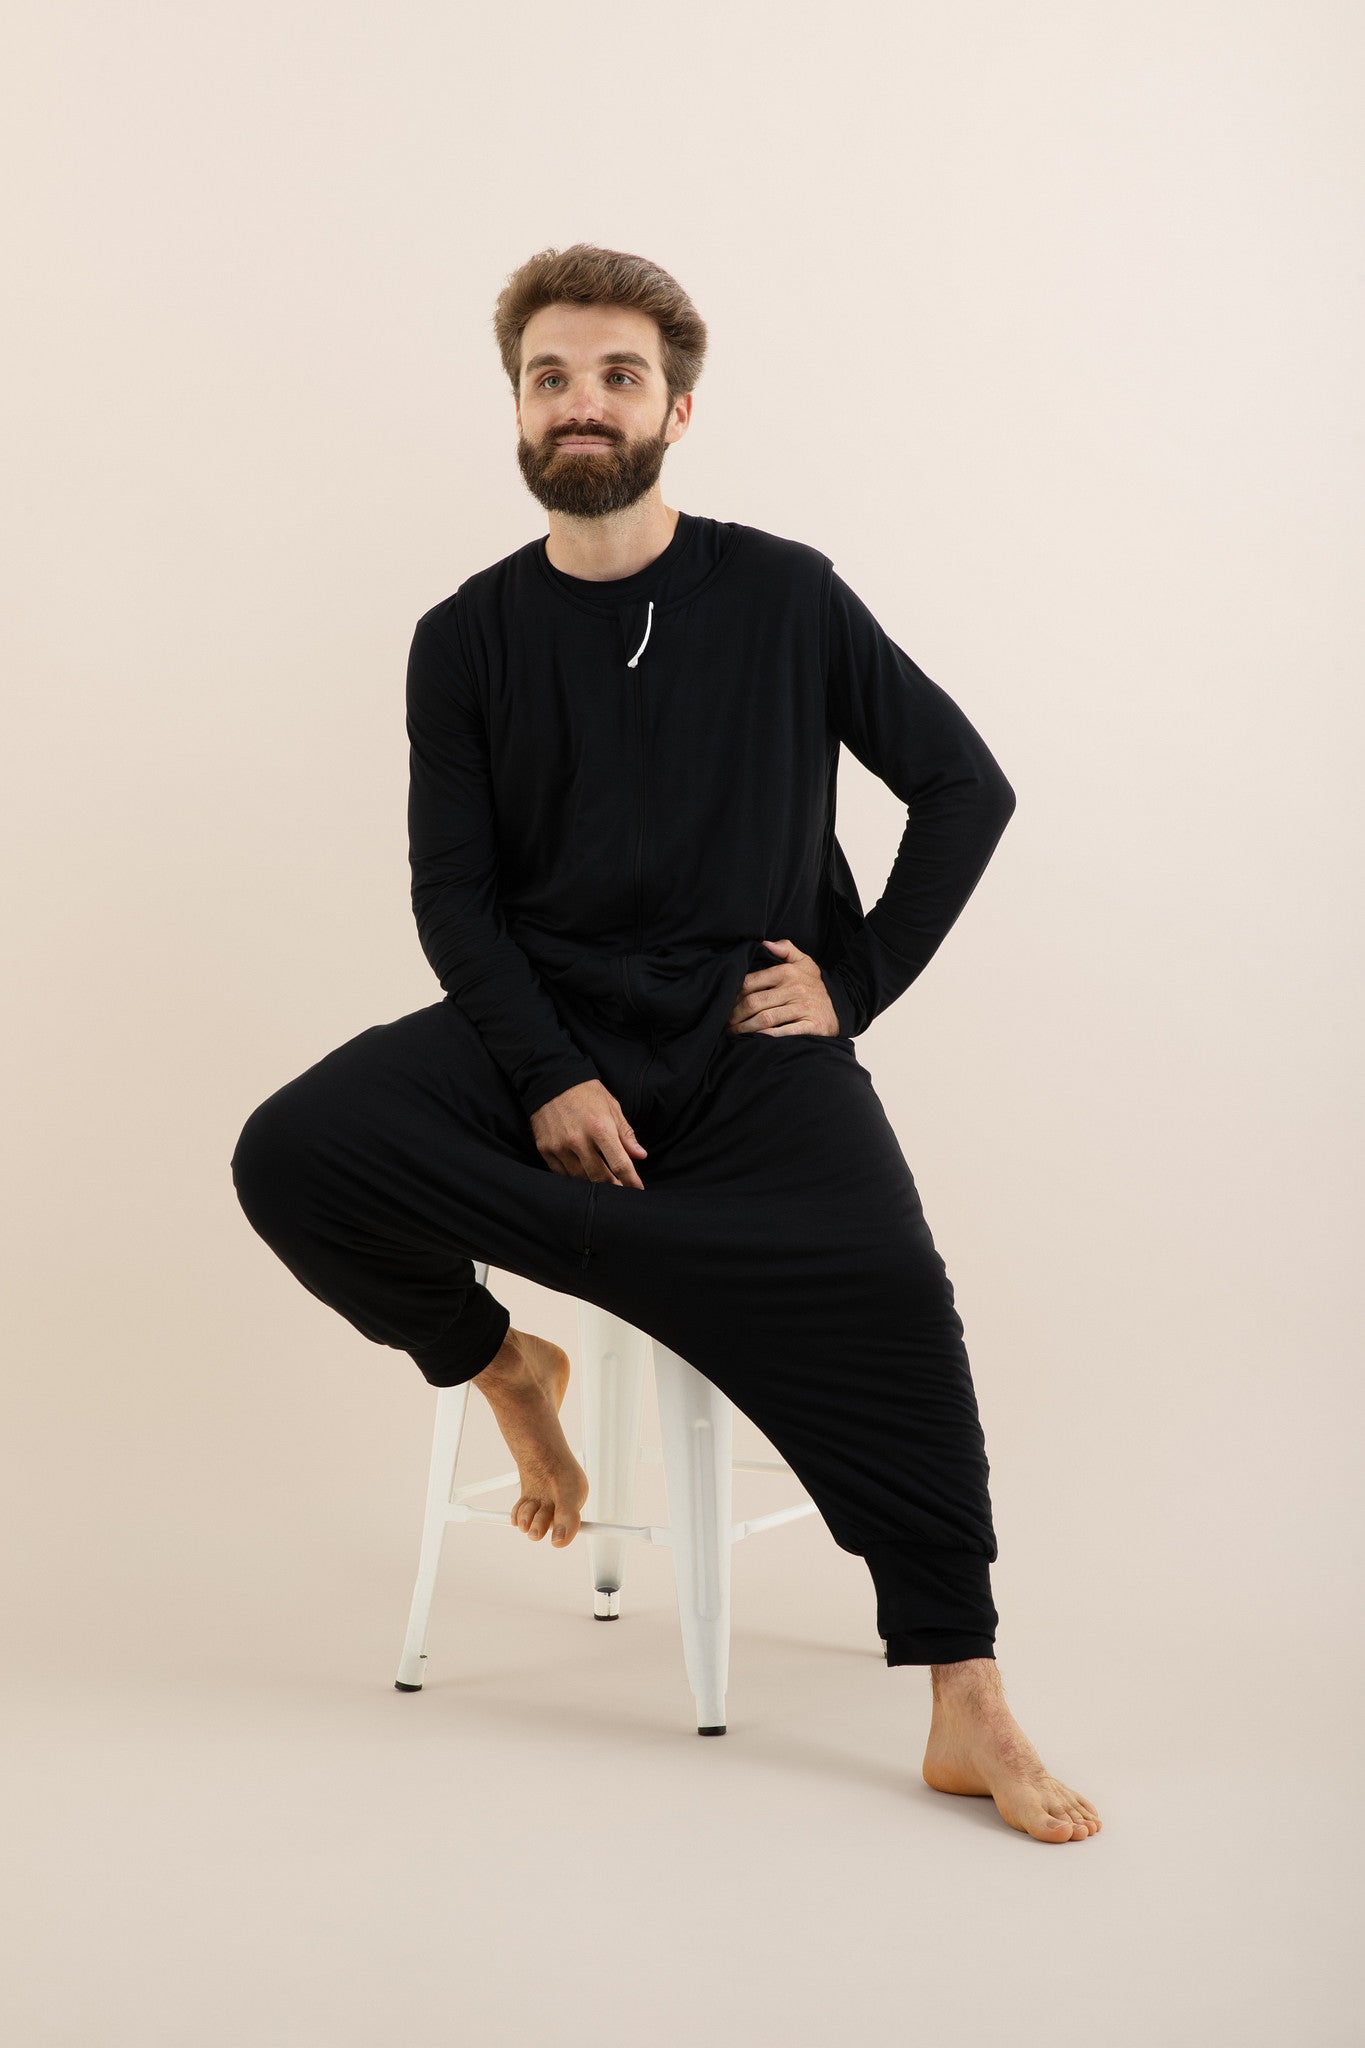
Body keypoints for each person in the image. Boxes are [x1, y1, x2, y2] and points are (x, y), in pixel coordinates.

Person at [230, 241, 1100, 1844]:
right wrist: (548, 1071)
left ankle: (964, 1699)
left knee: (892, 1294)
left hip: (745, 1049)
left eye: (615, 375)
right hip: (538, 1034)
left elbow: (964, 788)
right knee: (291, 1149)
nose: (581, 401)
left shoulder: (784, 594)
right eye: (550, 375)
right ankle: (504, 1364)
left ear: (675, 412)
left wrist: (856, 980)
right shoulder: (464, 635)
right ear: (516, 408)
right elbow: (454, 896)